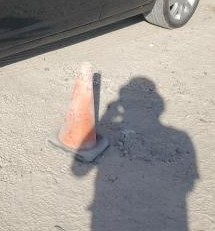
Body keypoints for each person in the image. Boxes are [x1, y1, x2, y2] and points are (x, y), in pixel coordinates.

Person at [72, 77, 198, 231]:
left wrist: (107, 116)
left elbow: (78, 171)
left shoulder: (181, 137)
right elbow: (190, 183)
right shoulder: (182, 137)